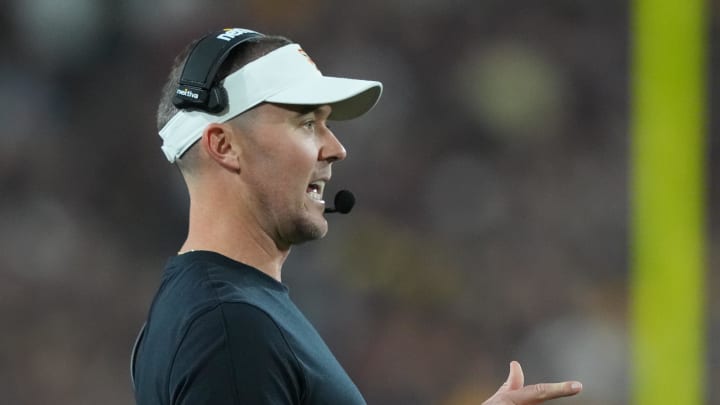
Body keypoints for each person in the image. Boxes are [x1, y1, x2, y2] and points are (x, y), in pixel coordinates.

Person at [131, 27, 583, 405]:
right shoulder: (230, 327)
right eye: (307, 123)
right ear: (224, 145)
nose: (336, 148)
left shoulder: (221, 310)